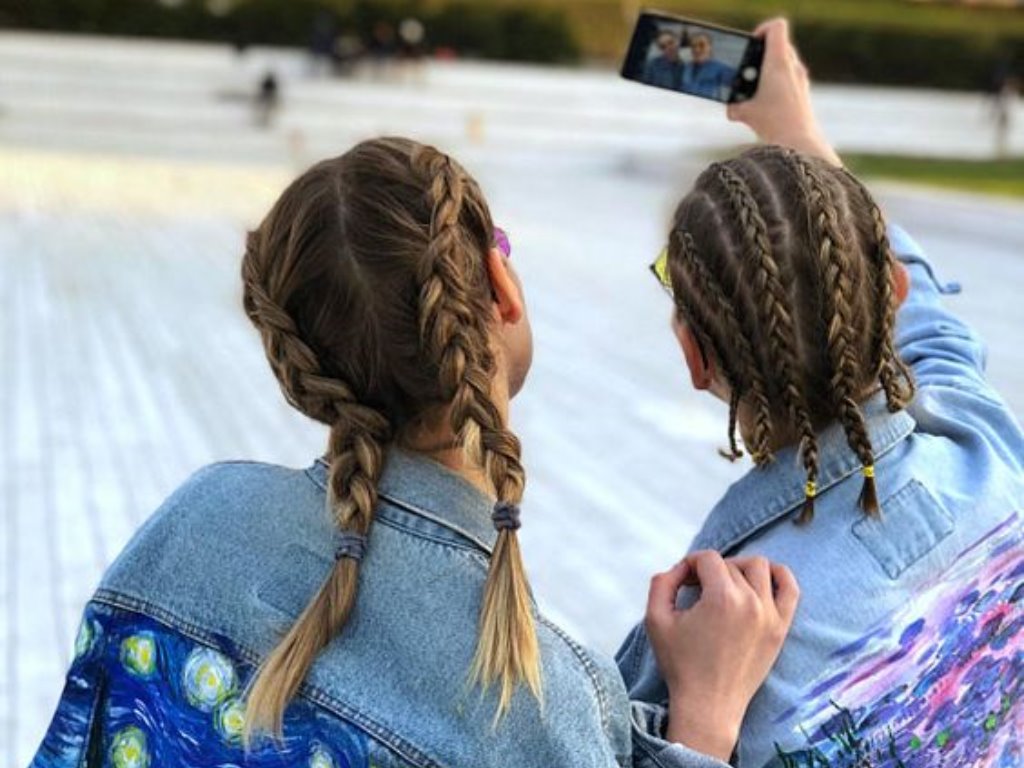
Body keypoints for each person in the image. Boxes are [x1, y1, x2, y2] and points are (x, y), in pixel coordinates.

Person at [28, 137, 800, 767]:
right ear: (500, 287)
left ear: (297, 363)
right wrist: (705, 722)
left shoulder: (192, 528)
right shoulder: (546, 706)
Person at [618, 18, 1024, 768]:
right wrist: (797, 127)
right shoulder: (988, 447)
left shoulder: (708, 639)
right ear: (892, 290)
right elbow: (931, 328)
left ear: (694, 355)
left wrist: (698, 728)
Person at [679, 33, 735, 100]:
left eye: (702, 45)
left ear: (710, 47)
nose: (697, 50)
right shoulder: (685, 68)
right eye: (694, 46)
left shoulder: (720, 69)